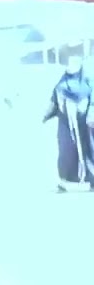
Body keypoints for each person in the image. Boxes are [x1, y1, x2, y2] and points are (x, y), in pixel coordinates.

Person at [43, 56, 94, 192]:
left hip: (85, 124)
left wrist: (91, 113)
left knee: (88, 151)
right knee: (66, 151)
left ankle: (92, 181)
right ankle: (64, 181)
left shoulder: (88, 82)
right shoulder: (61, 83)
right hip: (66, 125)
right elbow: (54, 101)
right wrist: (45, 116)